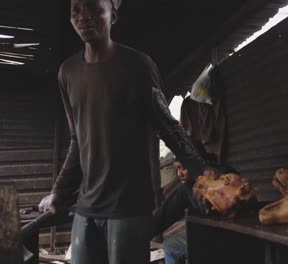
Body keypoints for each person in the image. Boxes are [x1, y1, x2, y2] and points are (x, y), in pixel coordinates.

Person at [46, 0, 206, 263]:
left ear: (114, 15)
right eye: (76, 10)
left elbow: (168, 127)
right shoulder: (68, 73)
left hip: (129, 205)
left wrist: (203, 171)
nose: (84, 17)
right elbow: (78, 139)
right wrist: (60, 190)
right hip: (86, 205)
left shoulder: (138, 66)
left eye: (95, 9)